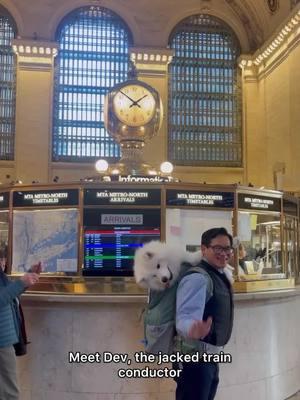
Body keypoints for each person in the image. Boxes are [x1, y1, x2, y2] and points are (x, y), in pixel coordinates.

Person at [174, 227, 234, 400]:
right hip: (194, 361)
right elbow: (183, 318)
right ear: (203, 249)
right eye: (218, 248)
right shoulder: (198, 279)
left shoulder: (218, 274)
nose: (224, 253)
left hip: (208, 359)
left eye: (227, 248)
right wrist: (192, 328)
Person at [0, 262, 41, 400]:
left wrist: (28, 277)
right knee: (9, 393)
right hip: (2, 341)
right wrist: (21, 283)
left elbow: (9, 295)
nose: (3, 261)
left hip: (5, 339)